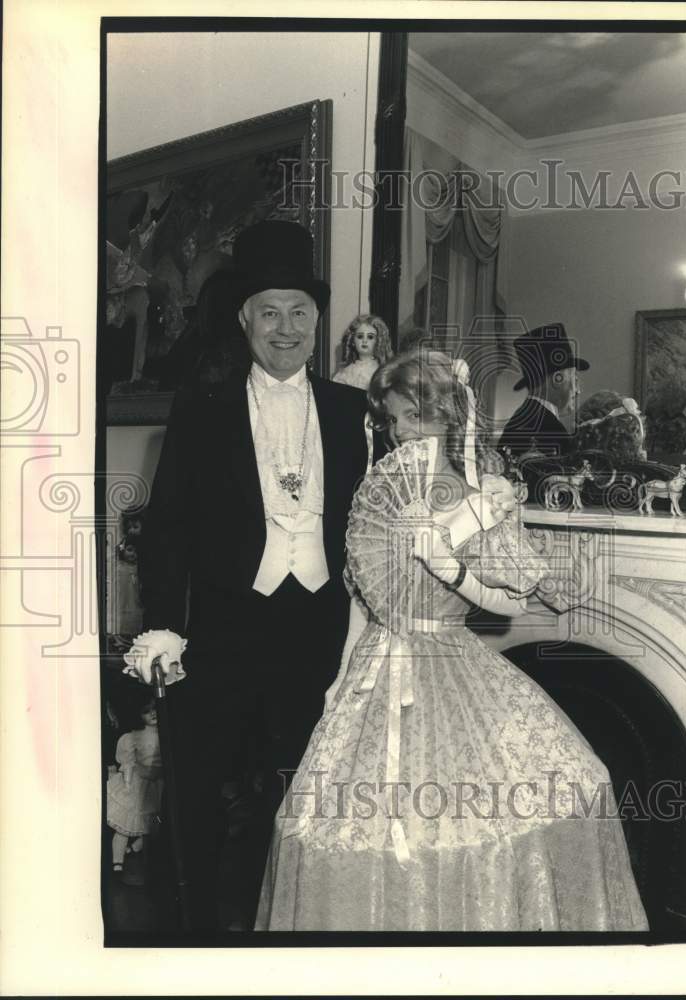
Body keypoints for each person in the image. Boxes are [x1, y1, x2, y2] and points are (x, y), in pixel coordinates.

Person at [255, 350, 648, 931]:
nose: (401, 433)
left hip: (452, 657)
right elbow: (365, 601)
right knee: (342, 822)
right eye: (392, 421)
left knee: (566, 785)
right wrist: (339, 679)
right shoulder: (379, 493)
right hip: (377, 668)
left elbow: (523, 600)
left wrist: (451, 566)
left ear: (449, 415)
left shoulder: (482, 495)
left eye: (415, 416)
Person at [122, 220, 382, 932]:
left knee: (296, 789)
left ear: (318, 319)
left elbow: (373, 521)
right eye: (269, 311)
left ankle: (286, 921)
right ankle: (192, 929)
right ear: (244, 319)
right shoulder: (200, 409)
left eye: (300, 311)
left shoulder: (351, 409)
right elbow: (167, 527)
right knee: (199, 789)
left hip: (316, 628)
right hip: (221, 627)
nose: (286, 327)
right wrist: (162, 629)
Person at [498, 323, 590, 461]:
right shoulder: (549, 430)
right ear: (557, 379)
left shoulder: (523, 419)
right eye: (575, 380)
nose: (578, 390)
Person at [106, 697, 162, 874]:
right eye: (146, 711)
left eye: (154, 709)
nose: (152, 713)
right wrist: (128, 784)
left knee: (152, 825)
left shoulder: (165, 733)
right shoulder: (133, 737)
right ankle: (117, 862)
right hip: (139, 782)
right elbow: (128, 762)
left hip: (158, 783)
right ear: (139, 715)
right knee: (126, 822)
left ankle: (137, 849)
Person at [332, 313, 393, 389]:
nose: (364, 341)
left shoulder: (382, 371)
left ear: (378, 341)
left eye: (370, 337)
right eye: (360, 336)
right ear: (353, 341)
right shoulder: (346, 373)